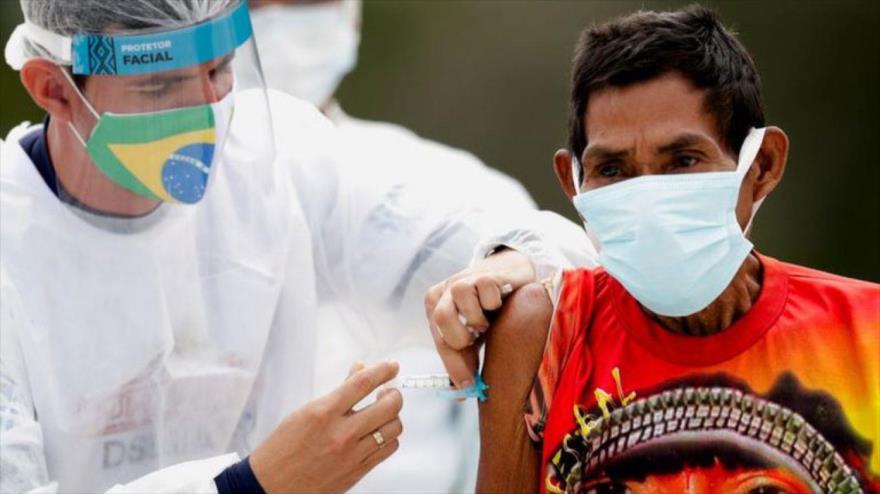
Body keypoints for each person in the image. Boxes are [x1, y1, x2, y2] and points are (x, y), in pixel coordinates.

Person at [0, 0, 589, 492]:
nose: (208, 112)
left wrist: (504, 265)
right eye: (161, 86)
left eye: (221, 70)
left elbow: (556, 253)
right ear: (53, 88)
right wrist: (251, 486)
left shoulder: (279, 158)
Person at [432, 6, 880, 493]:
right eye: (612, 169)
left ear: (762, 166)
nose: (647, 199)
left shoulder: (867, 335)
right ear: (573, 182)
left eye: (683, 160)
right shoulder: (541, 336)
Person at [245, 0, 543, 491]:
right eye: (253, 2)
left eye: (304, 1)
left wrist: (526, 262)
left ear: (353, 14)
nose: (276, 13)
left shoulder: (455, 189)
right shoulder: (163, 203)